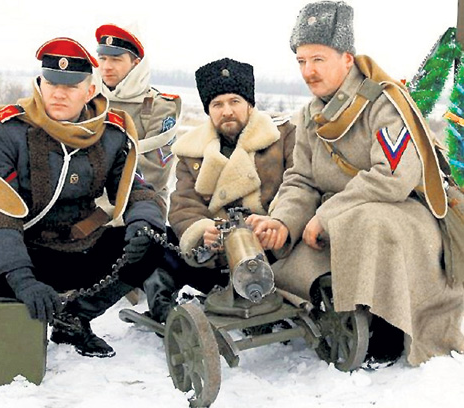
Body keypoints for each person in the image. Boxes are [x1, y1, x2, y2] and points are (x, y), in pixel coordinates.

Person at [247, 0, 464, 367]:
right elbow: (301, 180)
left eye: (318, 59)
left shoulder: (384, 105)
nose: (308, 71)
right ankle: (317, 307)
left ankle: (386, 329)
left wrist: (327, 215)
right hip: (345, 216)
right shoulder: (310, 115)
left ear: (346, 59)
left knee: (367, 222)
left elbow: (393, 178)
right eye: (301, 61)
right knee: (287, 254)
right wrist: (284, 221)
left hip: (406, 213)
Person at [0, 37, 166, 358]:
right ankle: (11, 297)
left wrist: (143, 224)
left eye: (70, 86)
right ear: (39, 84)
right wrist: (21, 278)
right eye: (51, 83)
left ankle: (75, 318)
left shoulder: (110, 134)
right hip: (21, 252)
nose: (58, 93)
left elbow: (138, 190)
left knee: (154, 242)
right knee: (7, 325)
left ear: (90, 90)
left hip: (79, 247)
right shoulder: (6, 131)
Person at [149, 57, 296, 323]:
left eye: (234, 102)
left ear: (249, 105)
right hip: (218, 255)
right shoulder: (191, 152)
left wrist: (277, 222)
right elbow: (184, 204)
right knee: (161, 242)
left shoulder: (282, 136)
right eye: (217, 104)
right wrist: (202, 231)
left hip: (273, 249)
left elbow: (296, 186)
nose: (227, 111)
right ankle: (163, 299)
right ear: (208, 110)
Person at [94, 23, 182, 211]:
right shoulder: (87, 101)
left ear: (136, 63)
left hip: (140, 206)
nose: (106, 67)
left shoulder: (160, 106)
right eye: (102, 58)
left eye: (116, 59)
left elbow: (154, 173)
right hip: (86, 207)